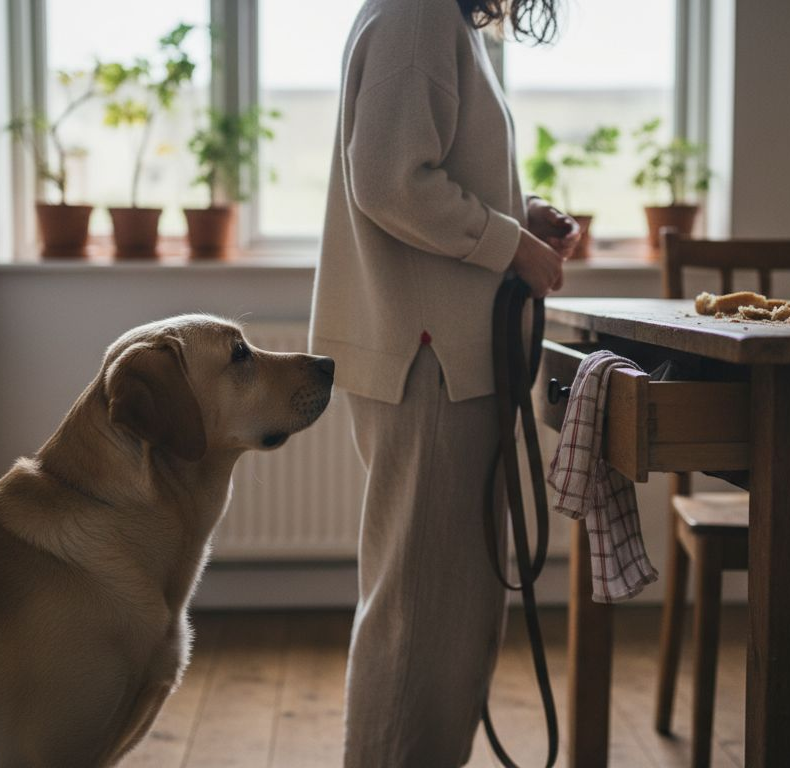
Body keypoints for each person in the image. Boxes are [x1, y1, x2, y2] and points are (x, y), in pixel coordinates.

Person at [308, 0, 578, 764]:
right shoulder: (420, 12)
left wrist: (520, 220)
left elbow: (427, 173)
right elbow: (391, 182)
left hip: (434, 351)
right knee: (424, 619)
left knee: (440, 614)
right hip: (428, 355)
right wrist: (511, 246)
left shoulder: (433, 16)